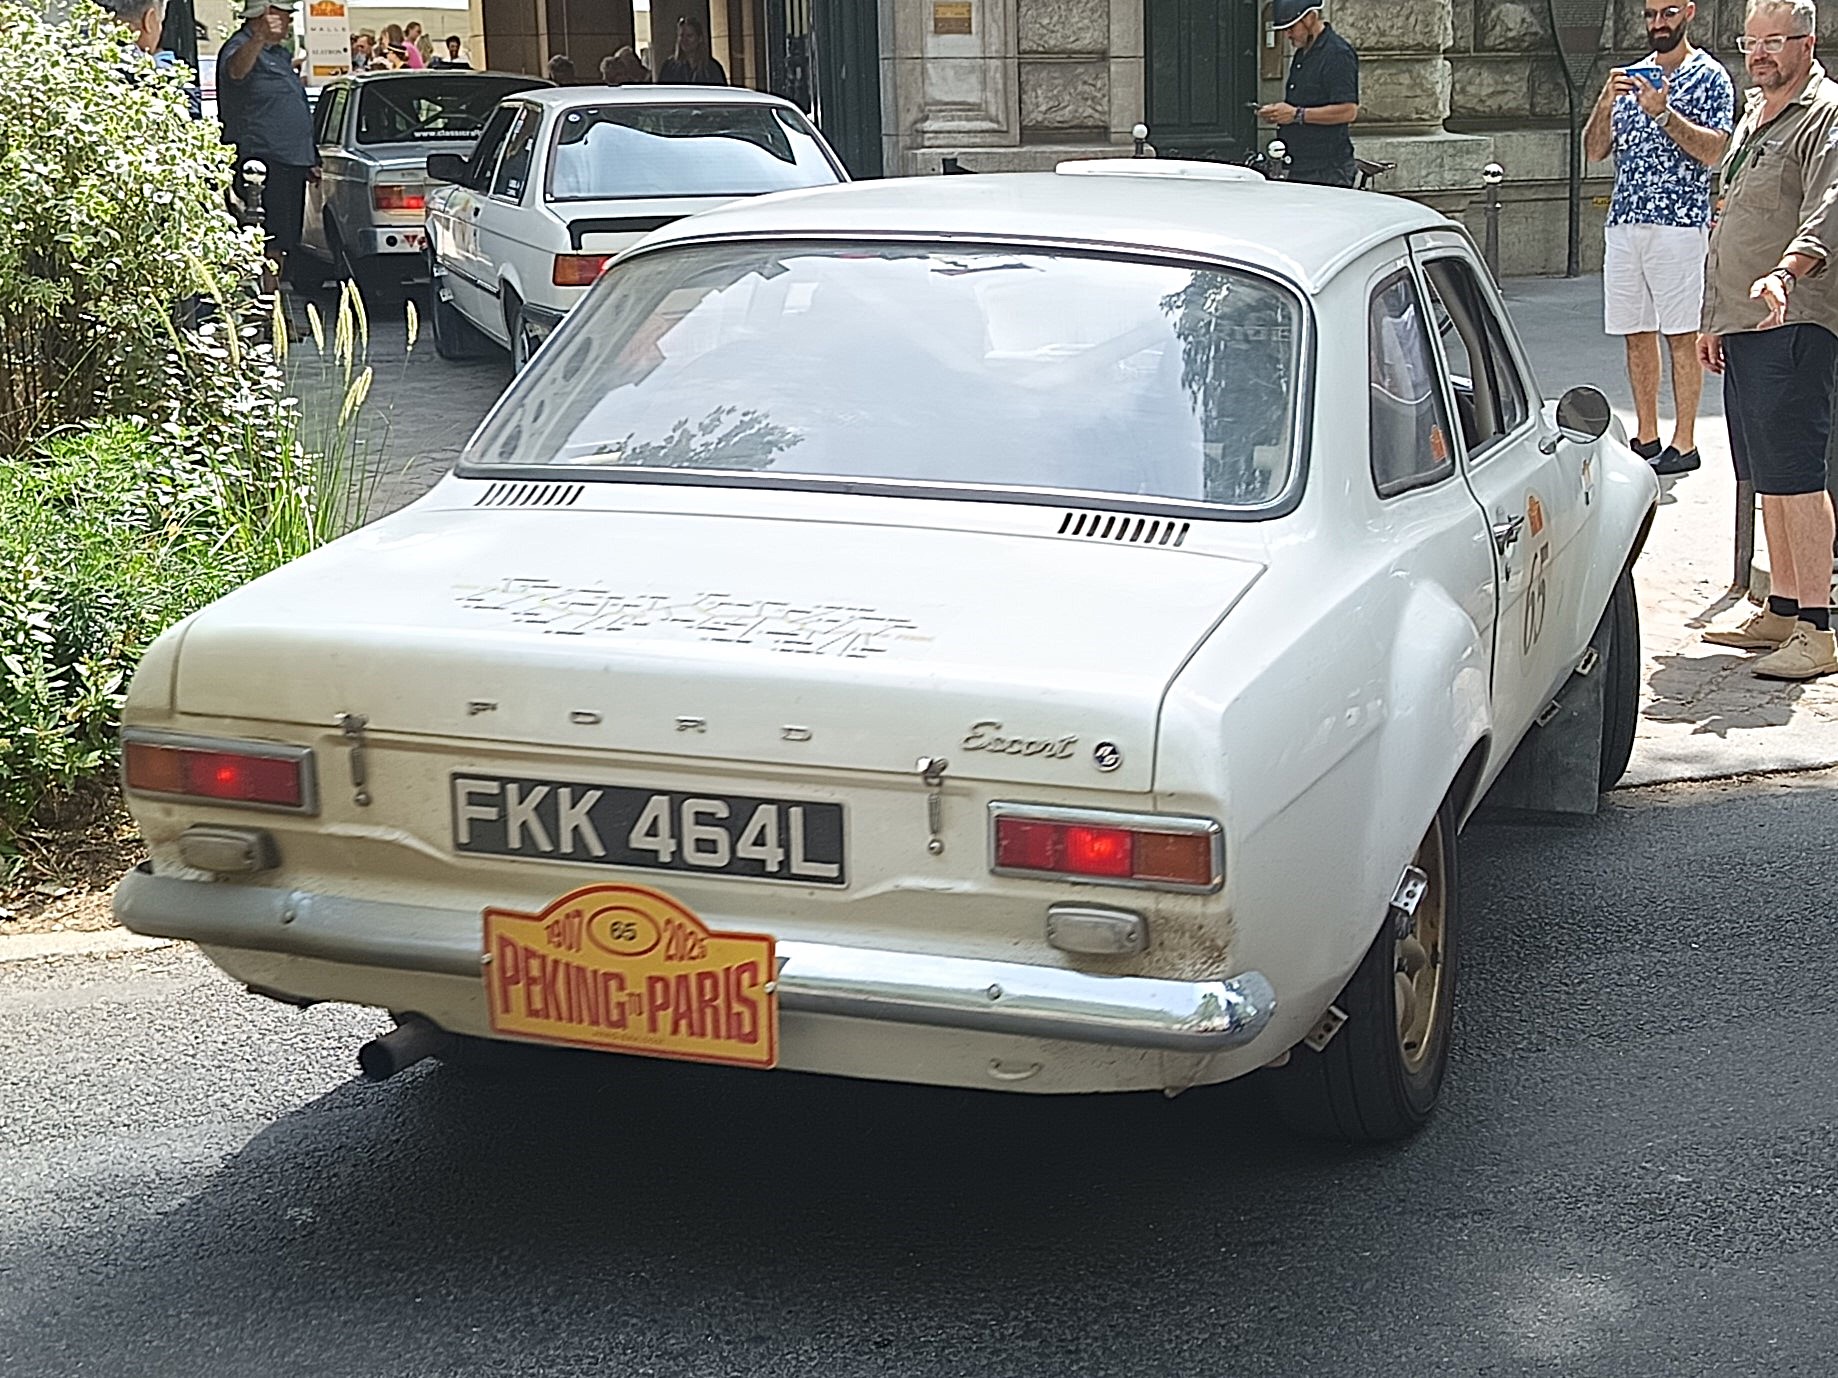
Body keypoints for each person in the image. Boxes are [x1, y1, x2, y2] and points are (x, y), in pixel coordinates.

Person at [1699, 0, 1838, 679]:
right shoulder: (1756, 113)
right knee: (1767, 479)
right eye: (1749, 41)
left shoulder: (1825, 114)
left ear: (1809, 43)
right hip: (1744, 323)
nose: (1758, 54)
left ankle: (1817, 627)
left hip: (1794, 319)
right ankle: (1781, 607)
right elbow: (1727, 216)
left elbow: (1829, 208)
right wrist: (1712, 316)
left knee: (1797, 479)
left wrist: (1787, 273)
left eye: (1773, 41)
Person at [1582, 1, 1734, 477]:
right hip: (1626, 222)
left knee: (1681, 335)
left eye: (1667, 13)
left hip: (1680, 225)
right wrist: (1606, 102)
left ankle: (1684, 440)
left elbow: (1716, 150)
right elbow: (1593, 151)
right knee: (1634, 332)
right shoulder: (1630, 76)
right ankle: (1646, 434)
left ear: (1688, 13)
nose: (1658, 24)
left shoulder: (1711, 77)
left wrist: (1664, 114)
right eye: (1650, 14)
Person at [218, 0, 319, 301]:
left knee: (284, 240)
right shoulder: (241, 47)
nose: (288, 21)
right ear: (265, 15)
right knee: (268, 239)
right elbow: (235, 73)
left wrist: (309, 154)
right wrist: (258, 36)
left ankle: (274, 311)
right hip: (262, 161)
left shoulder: (279, 54)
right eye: (283, 15)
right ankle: (265, 312)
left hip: (291, 160)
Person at [1256, 0, 1358, 187]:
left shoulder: (1337, 54)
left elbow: (1348, 111)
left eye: (1291, 27)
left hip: (1327, 169)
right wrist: (1279, 113)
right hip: (1300, 164)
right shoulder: (1302, 54)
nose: (1287, 35)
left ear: (1310, 18)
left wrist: (1297, 115)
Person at [656, 16, 726, 86]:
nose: (685, 40)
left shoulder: (712, 68)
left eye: (689, 36)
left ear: (700, 38)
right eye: (681, 36)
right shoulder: (669, 67)